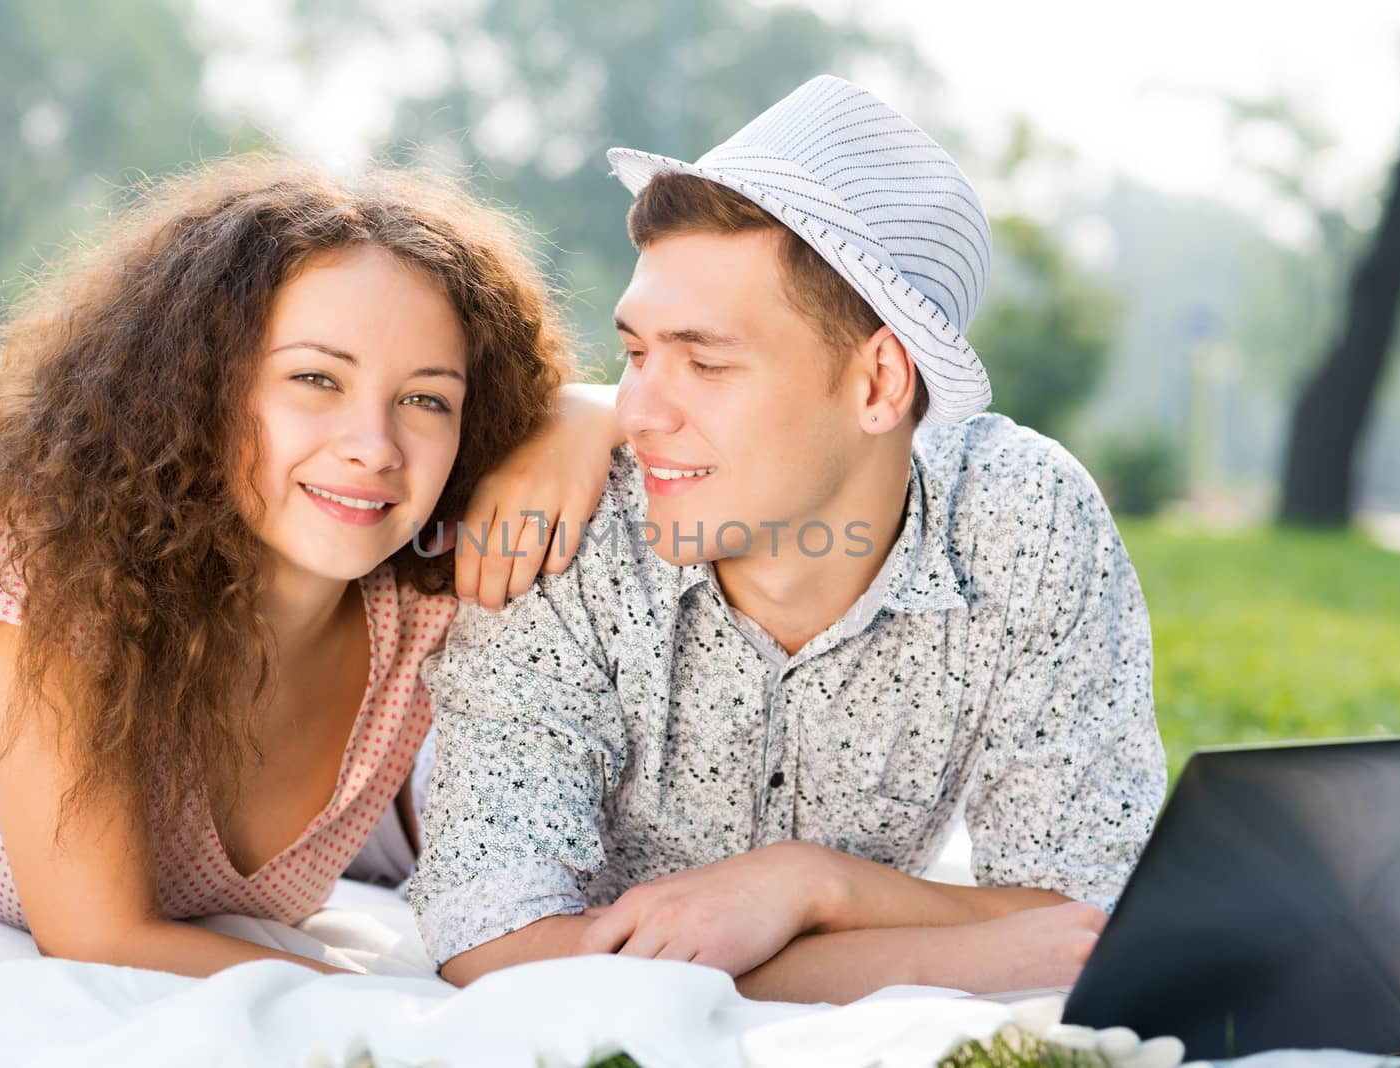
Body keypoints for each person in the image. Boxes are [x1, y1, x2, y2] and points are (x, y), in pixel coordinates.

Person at [408, 76, 1167, 1002]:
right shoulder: (560, 518)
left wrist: (809, 885)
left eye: (707, 361)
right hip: (387, 811)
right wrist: (944, 954)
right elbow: (493, 939)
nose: (637, 412)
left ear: (882, 382)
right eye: (636, 354)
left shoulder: (1026, 522)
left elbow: (1080, 913)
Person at [0, 156, 622, 978]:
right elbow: (103, 939)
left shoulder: (434, 598)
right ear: (199, 390)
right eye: (316, 379)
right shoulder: (67, 575)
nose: (374, 446)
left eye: (426, 398)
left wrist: (588, 409)